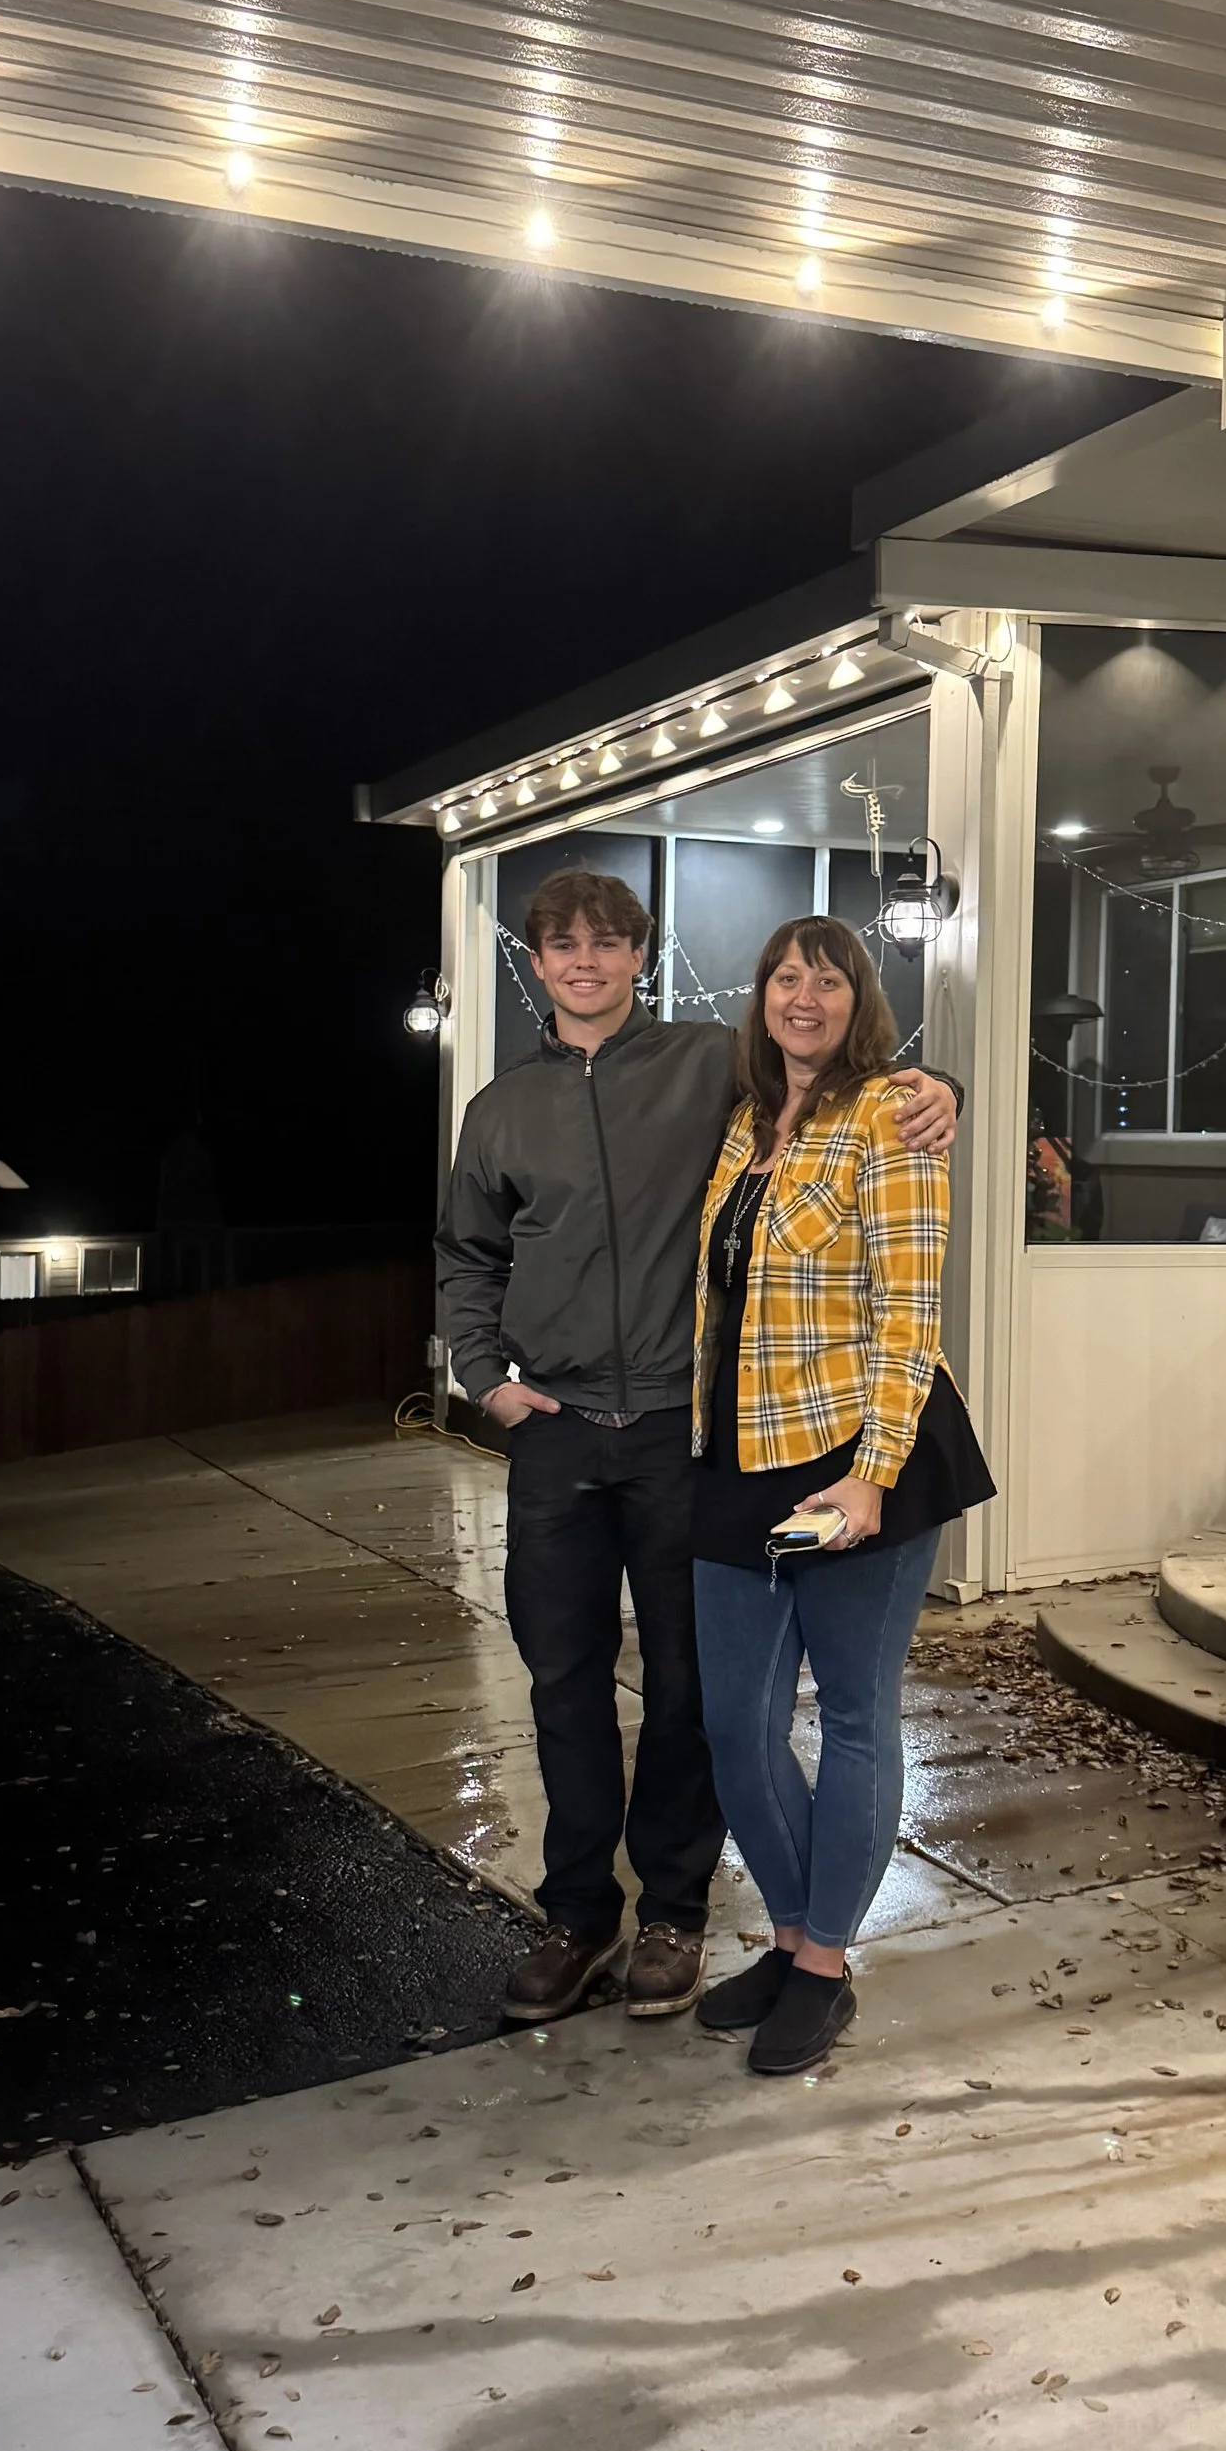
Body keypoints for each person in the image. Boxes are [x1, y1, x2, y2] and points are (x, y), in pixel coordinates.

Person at [436, 867, 959, 2027]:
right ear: (535, 964)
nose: (584, 962)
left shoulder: (701, 1067)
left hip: (687, 1431)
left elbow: (832, 1070)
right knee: (562, 1676)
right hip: (559, 1437)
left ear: (641, 958)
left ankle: (674, 1914)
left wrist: (940, 1086)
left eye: (608, 943)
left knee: (688, 1687)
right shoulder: (500, 1108)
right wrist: (486, 1381)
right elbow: (465, 1255)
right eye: (561, 945)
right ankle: (578, 1916)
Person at [687, 914, 994, 2076]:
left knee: (855, 1713)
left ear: (856, 998)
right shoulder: (738, 1129)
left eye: (824, 979)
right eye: (782, 977)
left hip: (846, 1464)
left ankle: (822, 1968)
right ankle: (791, 1931)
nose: (800, 997)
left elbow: (911, 1310)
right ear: (759, 995)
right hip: (737, 1463)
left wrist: (868, 1476)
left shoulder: (893, 1117)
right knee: (737, 1723)